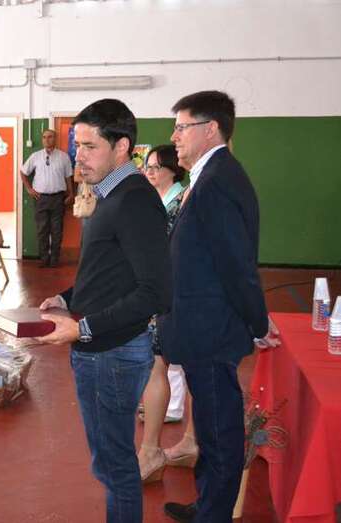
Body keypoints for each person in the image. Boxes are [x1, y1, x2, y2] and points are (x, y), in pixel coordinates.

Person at [37, 99, 171, 523]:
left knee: (115, 467)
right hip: (100, 348)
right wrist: (67, 299)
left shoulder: (134, 200)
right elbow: (109, 271)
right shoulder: (109, 195)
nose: (79, 156)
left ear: (122, 147)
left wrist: (82, 329)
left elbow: (155, 292)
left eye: (90, 146)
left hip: (112, 353)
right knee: (110, 462)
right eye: (77, 146)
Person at [159, 91, 280, 523]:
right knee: (211, 427)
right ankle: (208, 503)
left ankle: (214, 514)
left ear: (210, 129)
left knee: (219, 431)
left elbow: (236, 263)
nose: (174, 136)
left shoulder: (218, 182)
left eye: (182, 127)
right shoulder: (209, 176)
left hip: (209, 329)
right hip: (199, 324)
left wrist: (257, 322)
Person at [137, 144, 189, 483]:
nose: (150, 172)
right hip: (165, 291)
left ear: (172, 169)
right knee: (169, 364)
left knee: (159, 364)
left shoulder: (180, 200)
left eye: (156, 167)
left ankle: (150, 451)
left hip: (173, 293)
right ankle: (184, 442)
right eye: (148, 167)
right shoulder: (160, 199)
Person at [20, 129, 74, 267]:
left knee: (57, 230)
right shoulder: (35, 156)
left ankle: (54, 260)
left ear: (55, 139)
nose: (46, 140)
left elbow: (68, 176)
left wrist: (71, 193)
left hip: (58, 198)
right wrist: (29, 189)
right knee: (42, 230)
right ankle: (44, 259)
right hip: (40, 199)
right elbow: (23, 172)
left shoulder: (63, 157)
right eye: (44, 137)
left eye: (50, 137)